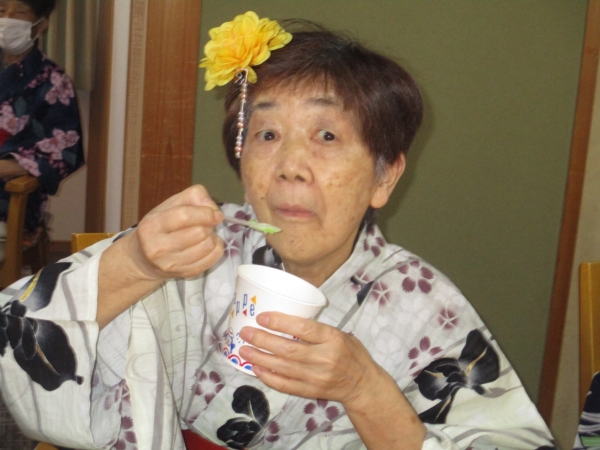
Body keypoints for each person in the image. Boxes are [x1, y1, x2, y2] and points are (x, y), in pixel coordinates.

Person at [0, 12, 554, 450]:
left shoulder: (423, 304)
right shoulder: (191, 248)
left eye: (327, 136)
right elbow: (14, 332)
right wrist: (136, 264)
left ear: (384, 177)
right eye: (267, 135)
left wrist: (364, 389)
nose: (289, 166)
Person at [0, 0, 84, 259]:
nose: (8, 18)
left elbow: (65, 152)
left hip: (8, 198)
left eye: (21, 12)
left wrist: (5, 167)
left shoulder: (53, 81)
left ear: (41, 24)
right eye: (1, 10)